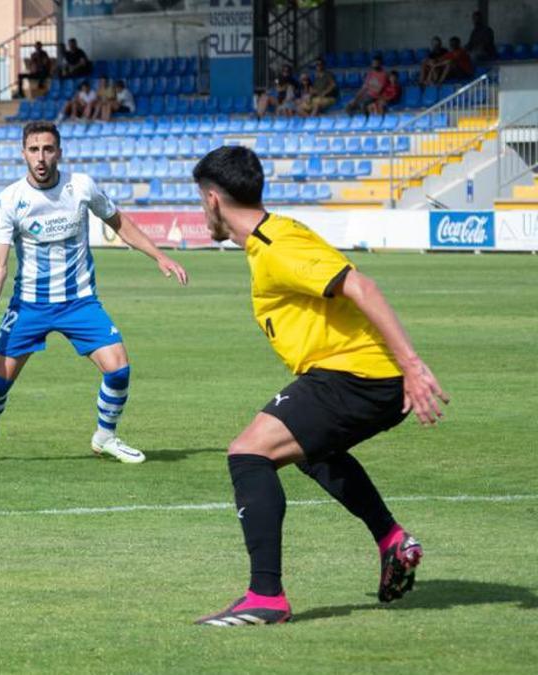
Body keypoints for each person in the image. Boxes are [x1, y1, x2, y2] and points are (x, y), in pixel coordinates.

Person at [190, 146, 448, 627]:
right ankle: (391, 540)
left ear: (212, 200)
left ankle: (265, 595)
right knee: (310, 451)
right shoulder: (273, 236)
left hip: (358, 376)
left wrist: (412, 365)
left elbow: (361, 287)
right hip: (357, 375)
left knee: (249, 453)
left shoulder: (276, 246)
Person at [0, 121, 188, 464]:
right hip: (30, 304)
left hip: (80, 301)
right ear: (23, 154)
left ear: (59, 152)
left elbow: (119, 223)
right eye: (34, 150)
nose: (41, 157)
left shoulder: (81, 187)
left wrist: (159, 256)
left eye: (48, 149)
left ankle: (105, 436)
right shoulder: (10, 200)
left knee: (119, 368)